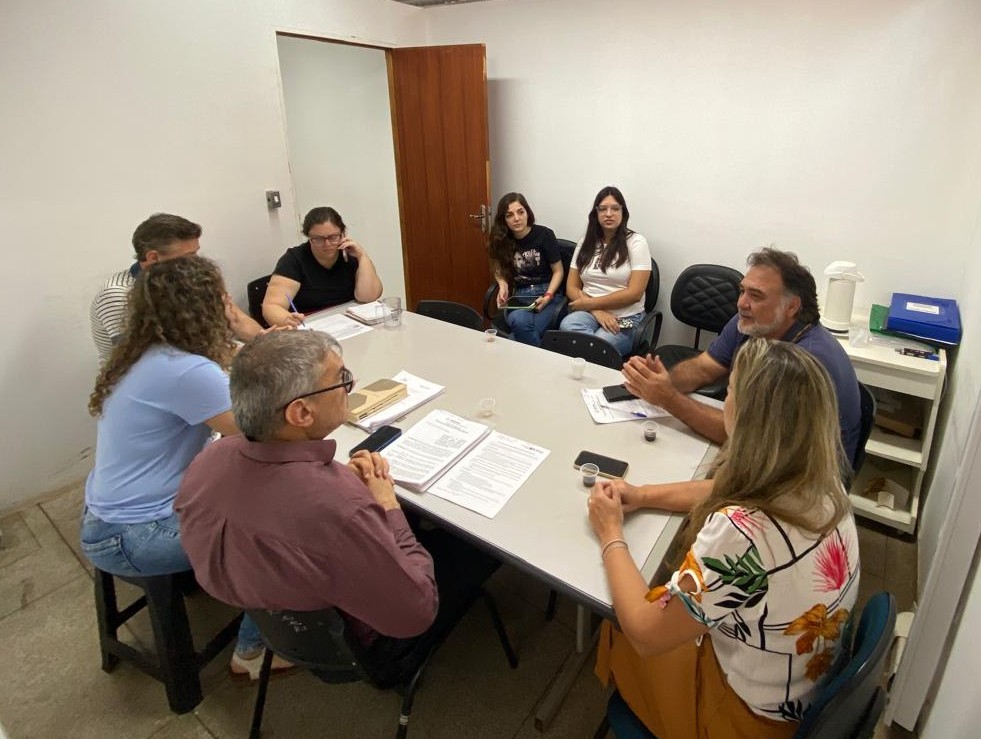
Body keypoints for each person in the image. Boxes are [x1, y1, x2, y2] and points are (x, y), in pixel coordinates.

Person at [176, 330, 502, 686]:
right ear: (301, 412)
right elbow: (417, 614)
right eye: (341, 379)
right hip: (365, 646)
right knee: (479, 543)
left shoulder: (209, 461)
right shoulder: (340, 508)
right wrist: (386, 502)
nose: (351, 385)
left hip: (282, 618)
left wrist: (332, 486)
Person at [589, 339, 860, 739]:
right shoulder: (821, 480)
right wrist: (643, 495)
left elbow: (645, 633)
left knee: (623, 617)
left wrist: (611, 532)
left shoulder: (742, 532)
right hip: (798, 689)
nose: (723, 401)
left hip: (745, 721)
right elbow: (721, 489)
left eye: (729, 391)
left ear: (751, 420)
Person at [80, 257, 287, 680]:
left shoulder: (148, 352)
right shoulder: (185, 370)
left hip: (111, 514)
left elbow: (233, 370)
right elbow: (260, 436)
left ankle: (223, 581)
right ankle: (251, 652)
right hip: (134, 534)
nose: (229, 302)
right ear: (203, 307)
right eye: (222, 297)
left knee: (248, 487)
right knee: (279, 530)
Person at [623, 248, 861, 466]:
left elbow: (743, 434)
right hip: (763, 452)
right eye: (742, 290)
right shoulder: (752, 323)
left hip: (807, 480)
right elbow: (704, 368)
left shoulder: (804, 361)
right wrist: (659, 382)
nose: (741, 303)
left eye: (756, 296)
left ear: (792, 307)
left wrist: (669, 398)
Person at [89, 213, 262, 361]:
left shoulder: (188, 281)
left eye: (197, 252)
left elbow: (236, 320)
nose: (197, 262)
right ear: (153, 257)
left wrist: (270, 341)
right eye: (189, 256)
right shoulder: (116, 294)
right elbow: (147, 360)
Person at [559, 186, 651, 355]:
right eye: (603, 209)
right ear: (596, 213)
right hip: (589, 313)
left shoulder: (637, 243)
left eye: (615, 208)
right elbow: (571, 287)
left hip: (625, 317)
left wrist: (591, 303)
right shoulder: (585, 243)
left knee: (600, 345)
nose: (609, 213)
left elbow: (635, 293)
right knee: (567, 326)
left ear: (623, 212)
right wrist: (596, 311)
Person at [262, 206, 383, 327]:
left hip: (350, 323)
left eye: (333, 237)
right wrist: (288, 320)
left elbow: (368, 297)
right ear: (308, 237)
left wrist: (362, 257)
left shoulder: (351, 254)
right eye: (318, 239)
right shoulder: (294, 260)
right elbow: (272, 306)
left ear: (343, 234)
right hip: (310, 324)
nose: (327, 244)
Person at [488, 193, 564, 347]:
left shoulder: (544, 235)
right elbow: (497, 265)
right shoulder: (502, 238)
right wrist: (502, 284)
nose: (516, 218)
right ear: (504, 219)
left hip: (548, 295)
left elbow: (558, 271)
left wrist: (548, 296)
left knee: (517, 336)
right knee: (519, 320)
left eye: (520, 212)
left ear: (527, 212)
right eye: (509, 215)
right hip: (520, 296)